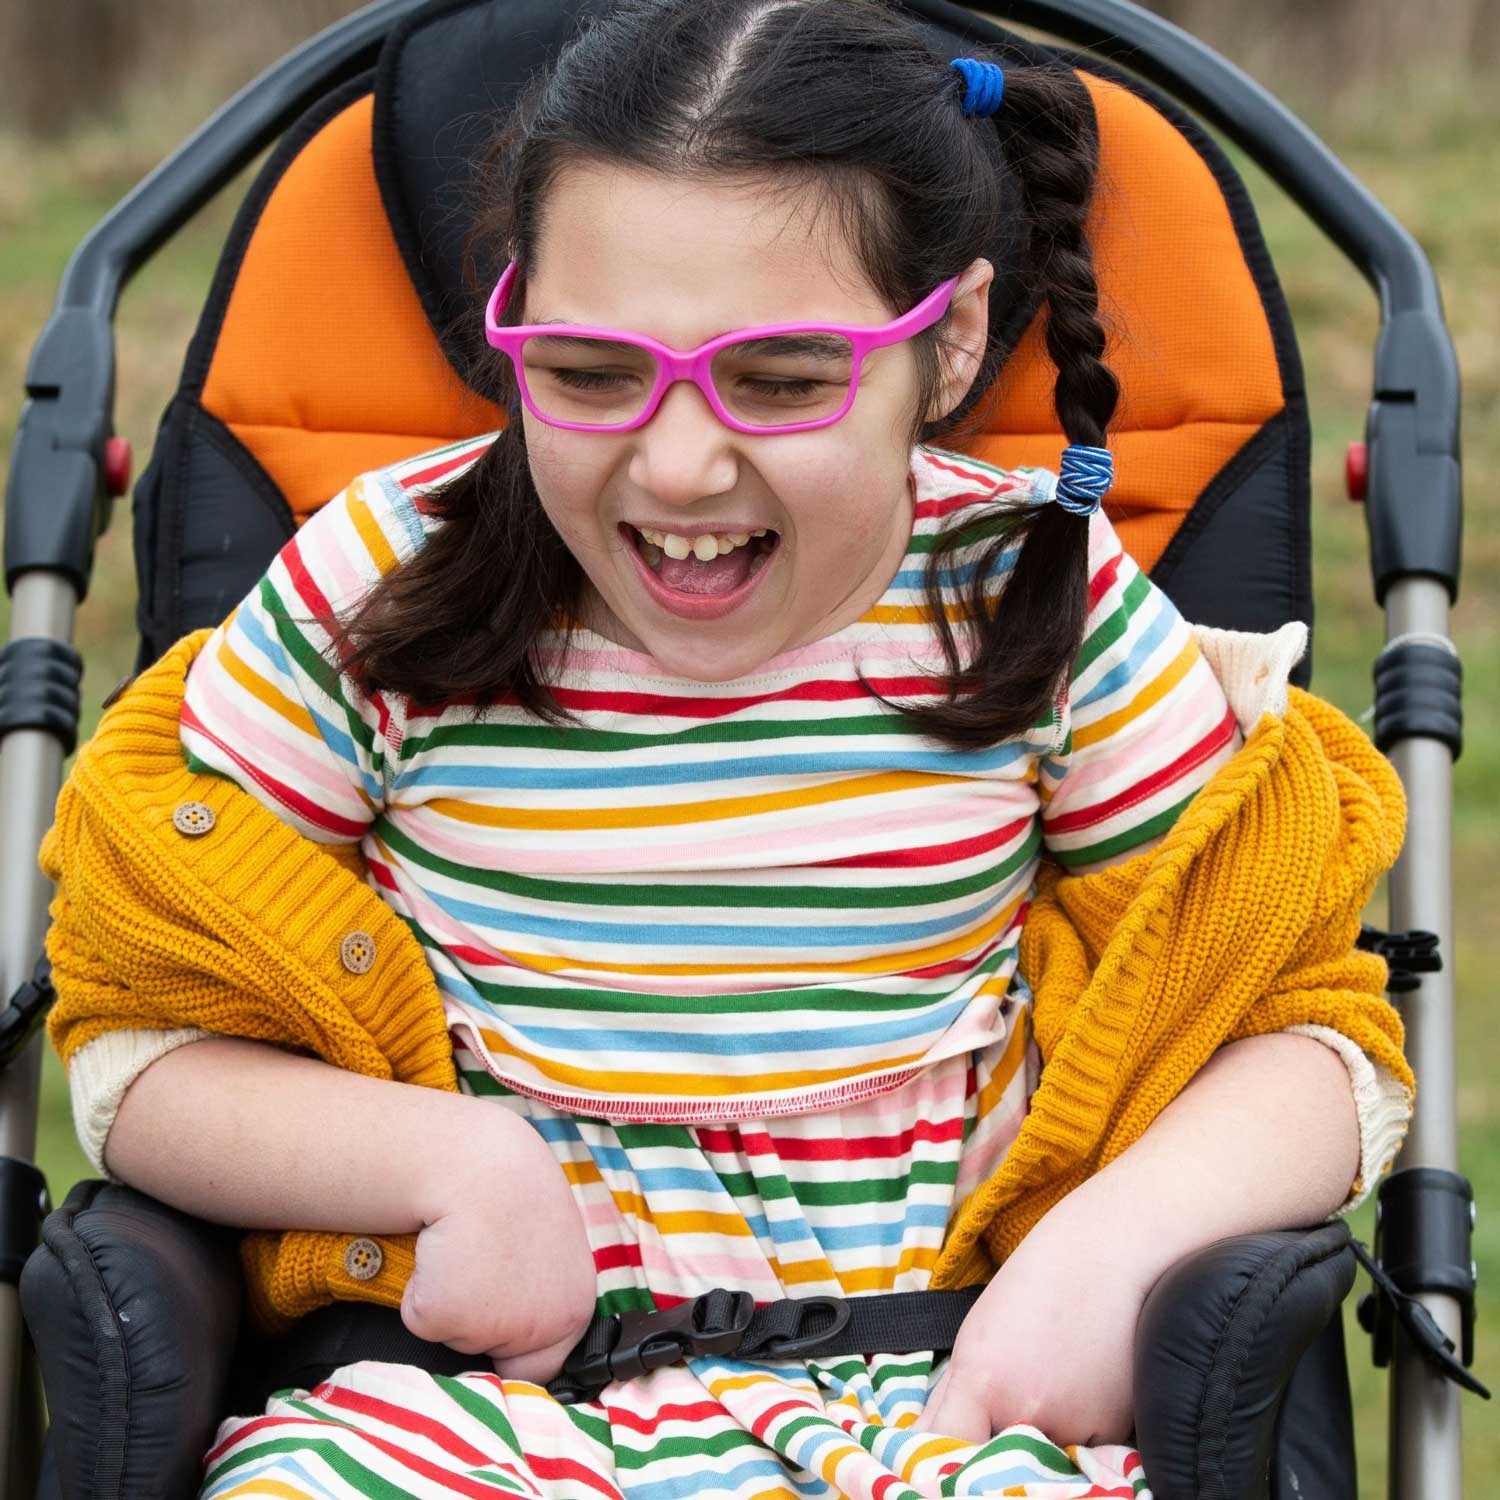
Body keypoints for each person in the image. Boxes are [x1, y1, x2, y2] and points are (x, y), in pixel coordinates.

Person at [41, 1, 1414, 1495]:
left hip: (946, 1391)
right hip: (454, 1406)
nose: (680, 462)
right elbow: (132, 1042)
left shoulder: (1037, 607)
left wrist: (1104, 1253)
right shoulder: (378, 597)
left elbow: (1316, 1042)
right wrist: (439, 1166)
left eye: (778, 379)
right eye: (585, 371)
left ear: (946, 342)